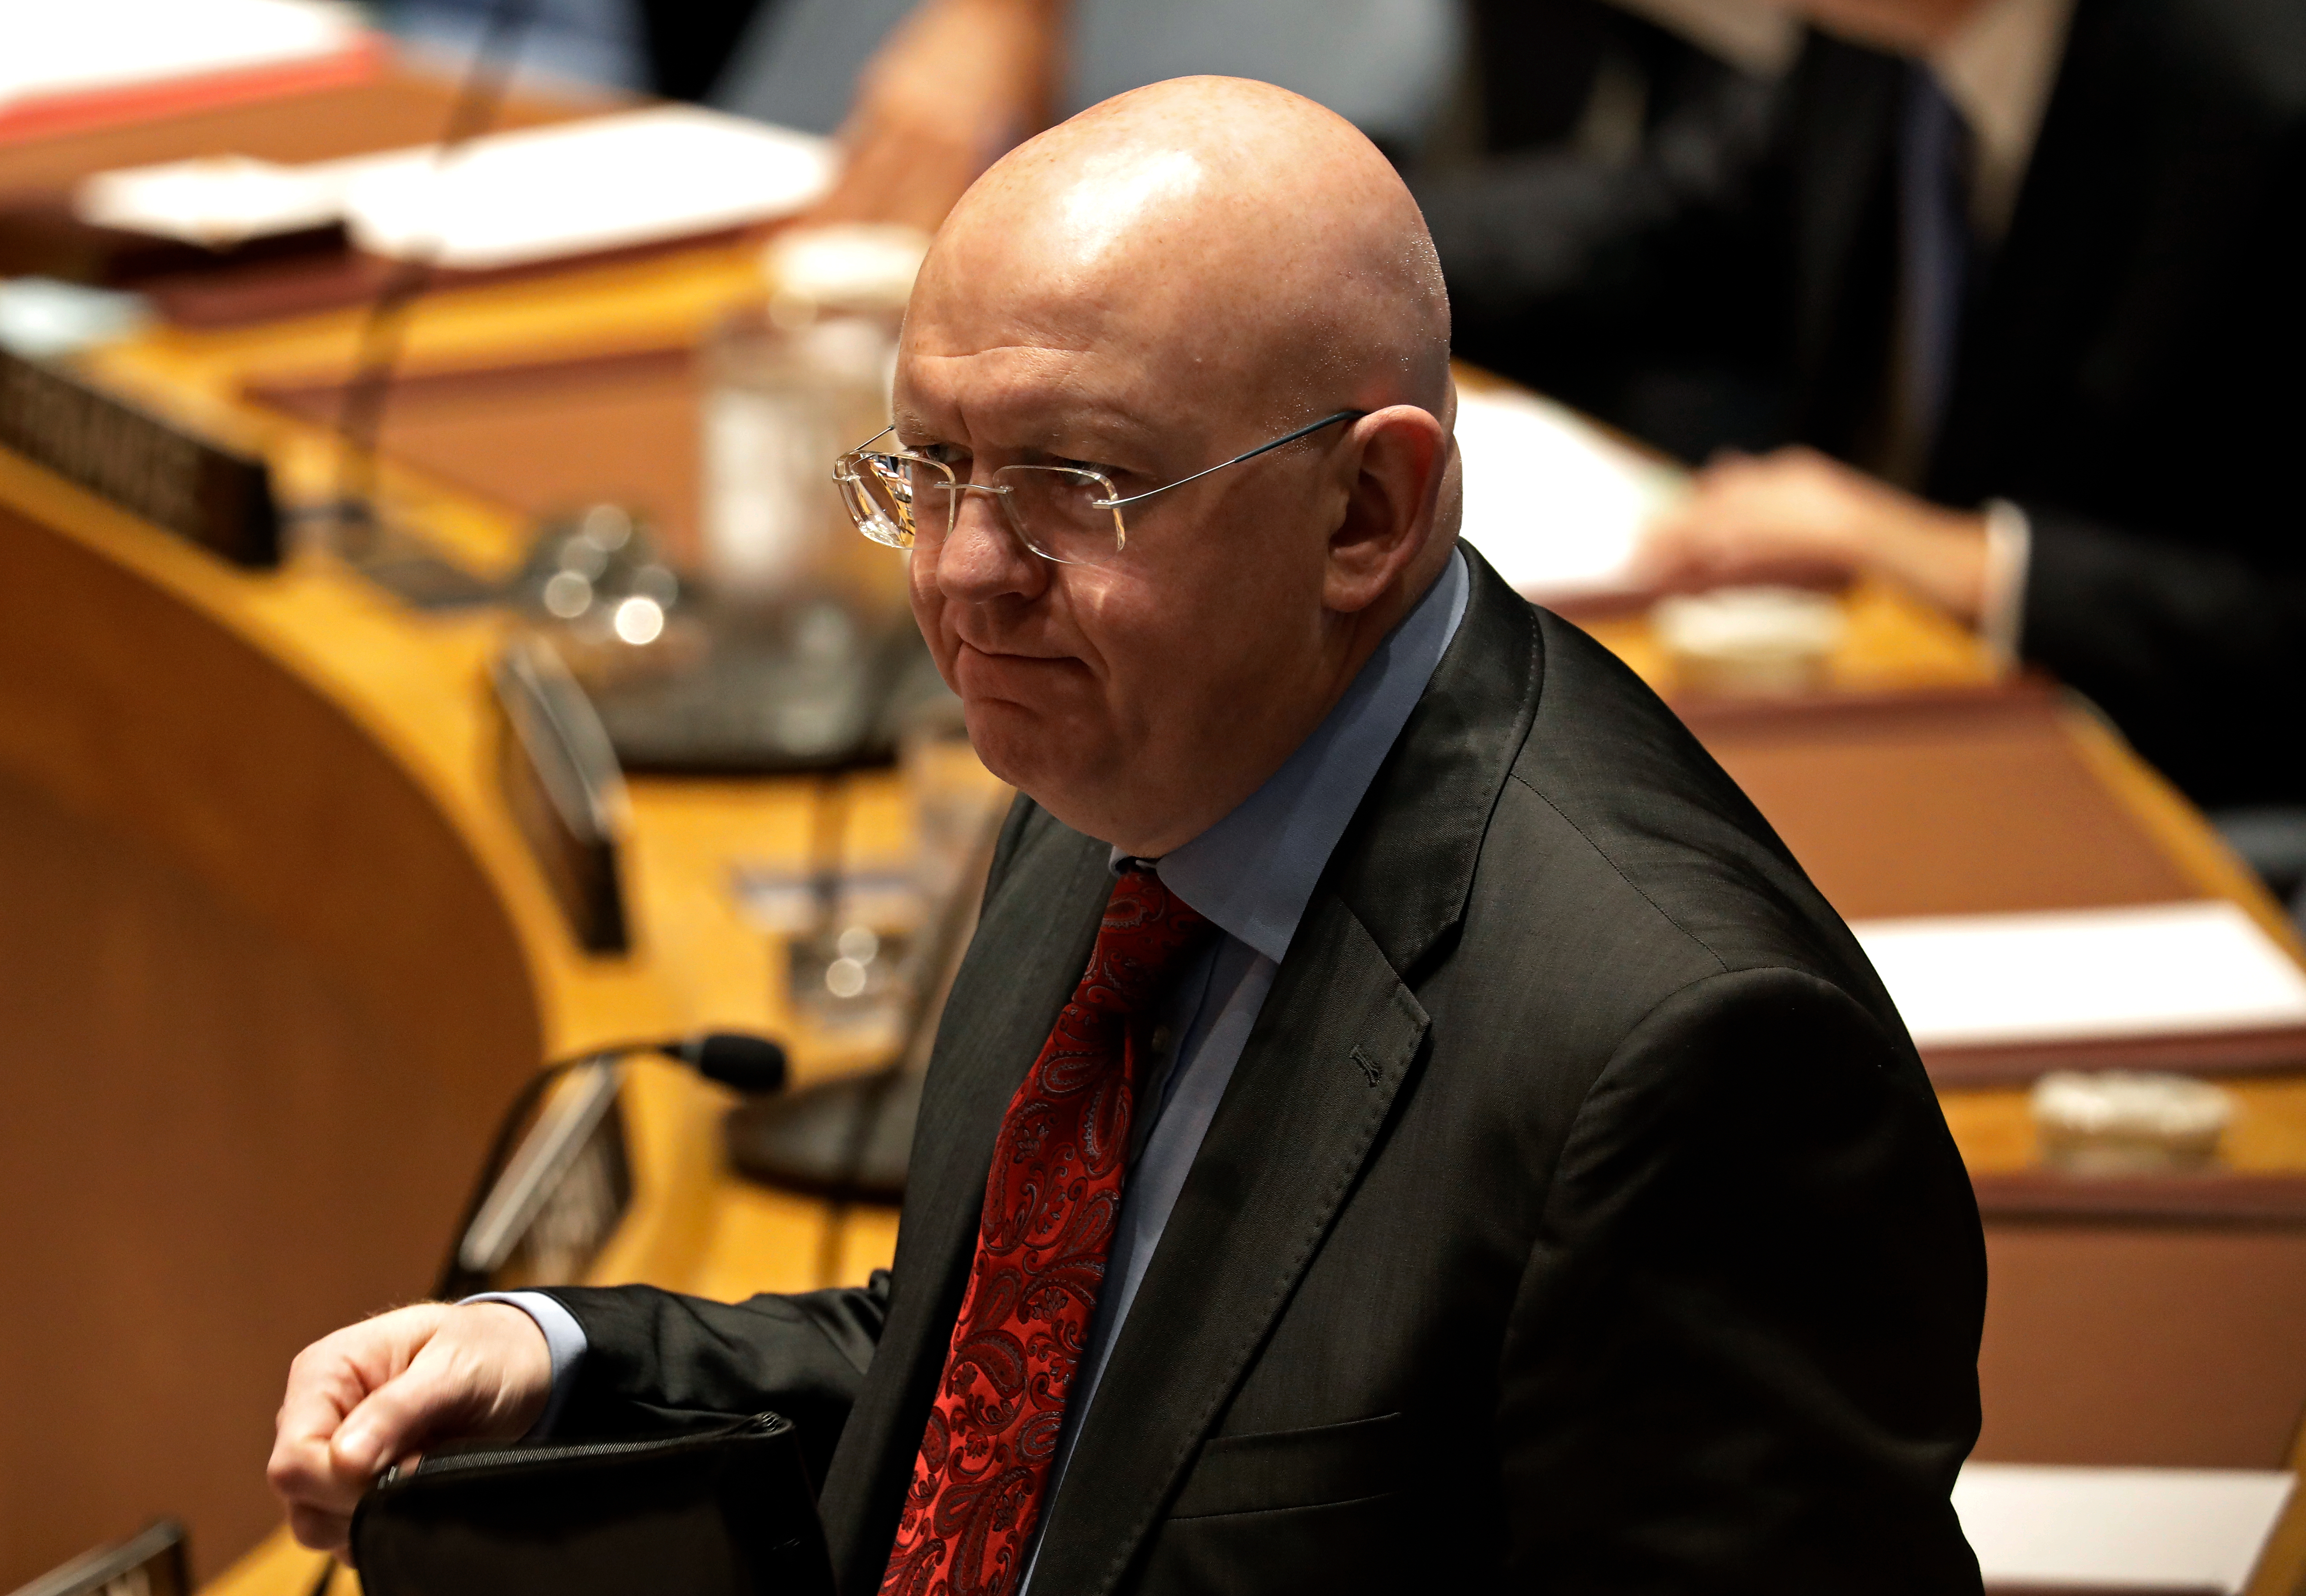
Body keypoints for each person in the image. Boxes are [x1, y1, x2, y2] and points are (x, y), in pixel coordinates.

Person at [268, 77, 1986, 1593]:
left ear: (1363, 514)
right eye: (928, 467)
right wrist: (557, 1354)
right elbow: (1025, 1399)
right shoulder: (1129, 763)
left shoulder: (1684, 1068)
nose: (957, 575)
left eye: (1068, 488)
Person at [1422, 0, 2306, 814]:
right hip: (1861, 717)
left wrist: (1964, 565)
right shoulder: (1876, 35)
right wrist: (1342, 250)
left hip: (2140, 795)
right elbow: (1660, 229)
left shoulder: (2257, 88)